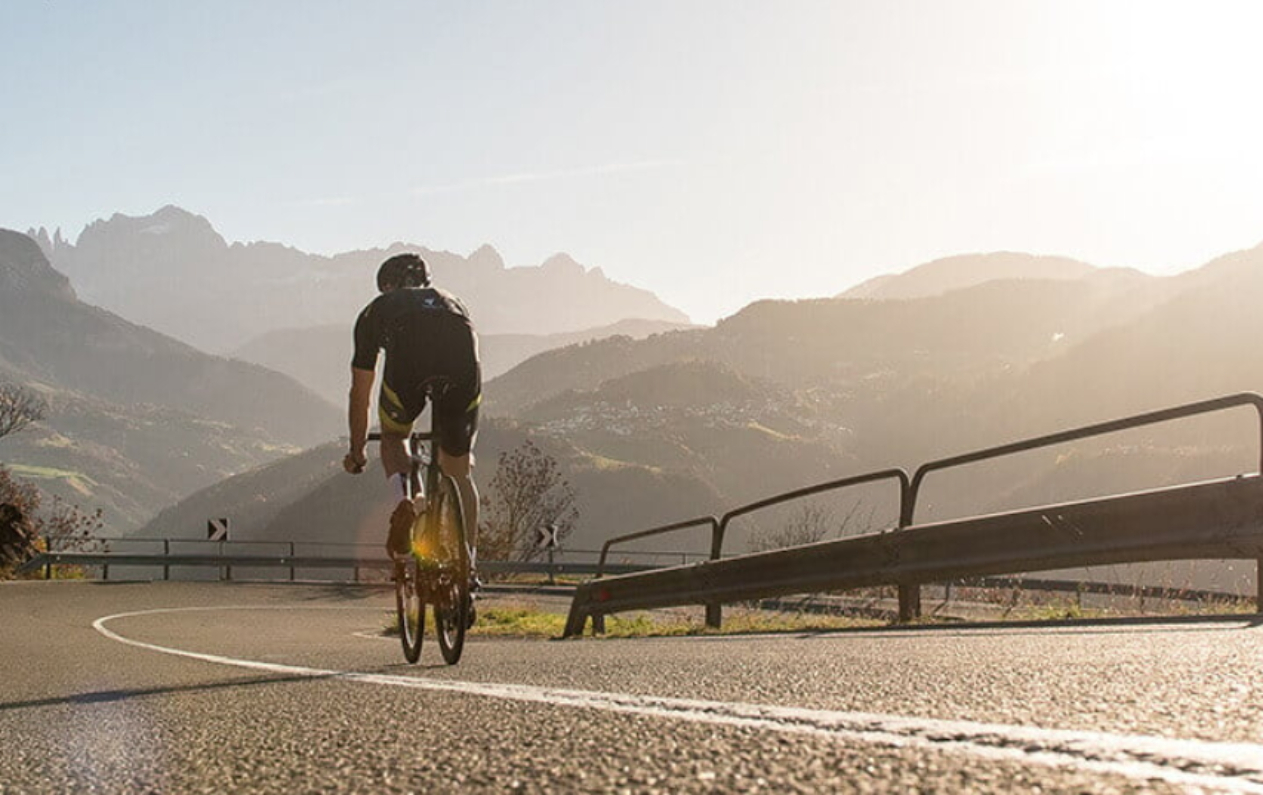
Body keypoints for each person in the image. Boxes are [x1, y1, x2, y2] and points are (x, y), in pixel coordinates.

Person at [342, 253, 481, 563]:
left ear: (387, 286)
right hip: (461, 357)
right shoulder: (453, 301)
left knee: (395, 437)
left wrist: (357, 450)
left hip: (408, 361)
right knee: (459, 470)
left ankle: (404, 500)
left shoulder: (376, 310)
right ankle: (468, 565)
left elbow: (360, 392)